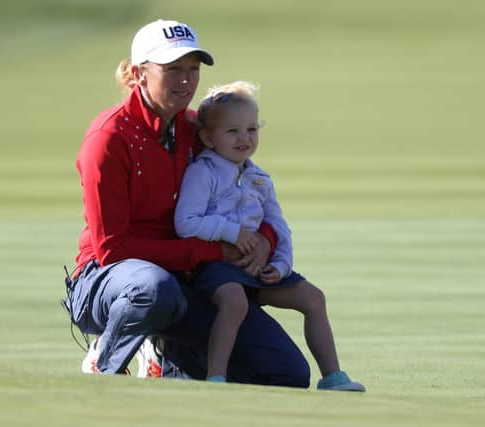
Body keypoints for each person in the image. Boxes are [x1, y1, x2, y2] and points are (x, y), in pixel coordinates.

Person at [63, 19, 310, 387]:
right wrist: (210, 253)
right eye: (173, 69)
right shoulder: (109, 139)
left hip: (181, 281)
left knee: (286, 372)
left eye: (193, 69)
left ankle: (162, 350)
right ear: (138, 74)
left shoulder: (199, 130)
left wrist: (265, 242)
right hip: (106, 280)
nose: (186, 80)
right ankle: (107, 356)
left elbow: (252, 189)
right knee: (153, 289)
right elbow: (113, 249)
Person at [174, 81, 365, 391]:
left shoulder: (259, 177)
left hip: (258, 272)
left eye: (252, 129)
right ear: (208, 138)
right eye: (232, 131)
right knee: (234, 302)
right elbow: (187, 223)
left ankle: (333, 377)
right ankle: (216, 378)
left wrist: (281, 265)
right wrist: (232, 232)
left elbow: (278, 226)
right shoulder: (202, 172)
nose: (244, 138)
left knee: (314, 298)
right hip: (216, 269)